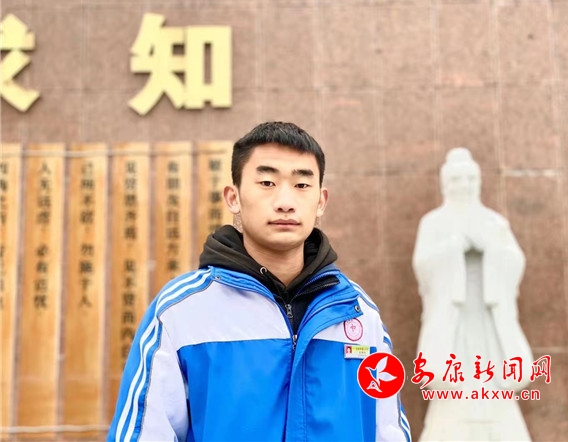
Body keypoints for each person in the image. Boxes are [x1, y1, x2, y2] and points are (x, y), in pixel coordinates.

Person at [108, 122, 411, 442]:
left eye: (302, 184)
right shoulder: (182, 311)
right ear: (233, 197)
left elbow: (388, 430)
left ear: (321, 201)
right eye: (267, 182)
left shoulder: (357, 311)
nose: (285, 201)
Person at [412, 148, 532, 441]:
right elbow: (423, 265)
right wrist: (455, 246)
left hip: (489, 316)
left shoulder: (494, 222)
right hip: (453, 317)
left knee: (491, 373)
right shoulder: (434, 222)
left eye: (469, 179)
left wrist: (491, 249)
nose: (463, 185)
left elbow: (515, 260)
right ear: (446, 184)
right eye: (457, 179)